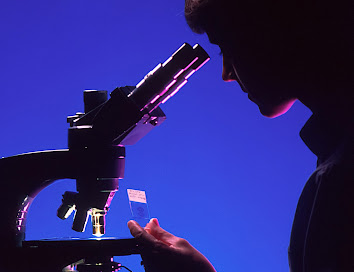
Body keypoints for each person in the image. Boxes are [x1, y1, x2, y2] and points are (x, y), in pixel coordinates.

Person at [128, 0, 354, 271]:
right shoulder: (335, 154)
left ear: (271, 36)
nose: (226, 74)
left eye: (227, 49)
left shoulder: (339, 178)